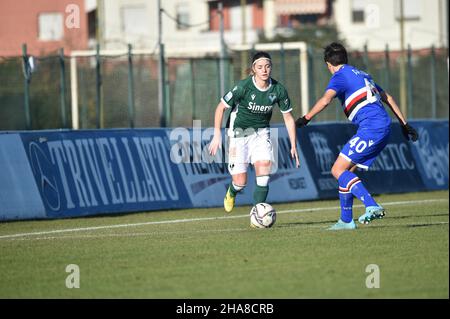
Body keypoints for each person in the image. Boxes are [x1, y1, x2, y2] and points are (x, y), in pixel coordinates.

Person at [295, 42, 419, 230]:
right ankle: (346, 220)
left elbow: (326, 99)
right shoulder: (362, 75)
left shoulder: (339, 76)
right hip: (382, 127)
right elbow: (388, 97)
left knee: (337, 170)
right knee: (347, 173)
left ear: (328, 64)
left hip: (372, 128)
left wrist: (306, 118)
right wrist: (404, 124)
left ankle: (371, 205)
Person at [208, 51, 299, 214]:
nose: (264, 70)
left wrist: (293, 144)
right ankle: (232, 191)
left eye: (267, 66)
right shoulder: (243, 87)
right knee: (240, 182)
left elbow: (289, 118)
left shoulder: (278, 90)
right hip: (238, 135)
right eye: (260, 67)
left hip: (261, 133)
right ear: (254, 69)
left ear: (271, 68)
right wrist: (217, 135)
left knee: (264, 168)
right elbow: (220, 108)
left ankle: (258, 213)